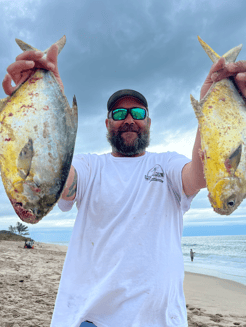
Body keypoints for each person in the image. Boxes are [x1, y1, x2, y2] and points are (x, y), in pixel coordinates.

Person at [3, 43, 246, 327]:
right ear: (107, 124)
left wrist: (212, 102)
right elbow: (56, 180)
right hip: (89, 319)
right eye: (119, 115)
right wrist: (41, 110)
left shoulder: (166, 165)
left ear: (149, 122)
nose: (129, 120)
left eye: (137, 114)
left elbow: (200, 176)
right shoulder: (89, 166)